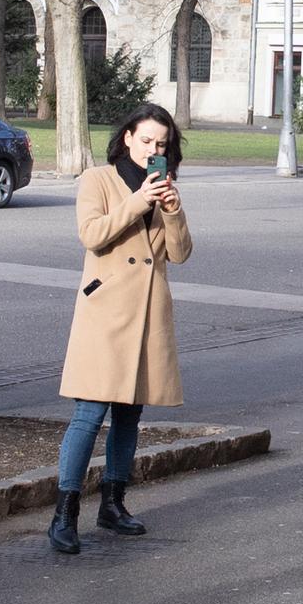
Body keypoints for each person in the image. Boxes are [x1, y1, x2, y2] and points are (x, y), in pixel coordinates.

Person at [49, 104, 194, 555]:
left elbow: (181, 253)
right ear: (127, 137)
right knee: (90, 414)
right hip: (106, 313)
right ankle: (64, 512)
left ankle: (113, 504)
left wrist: (171, 210)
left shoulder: (166, 187)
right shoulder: (98, 180)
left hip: (148, 314)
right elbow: (92, 235)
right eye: (147, 140)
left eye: (162, 144)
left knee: (130, 415)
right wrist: (138, 202)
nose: (155, 150)